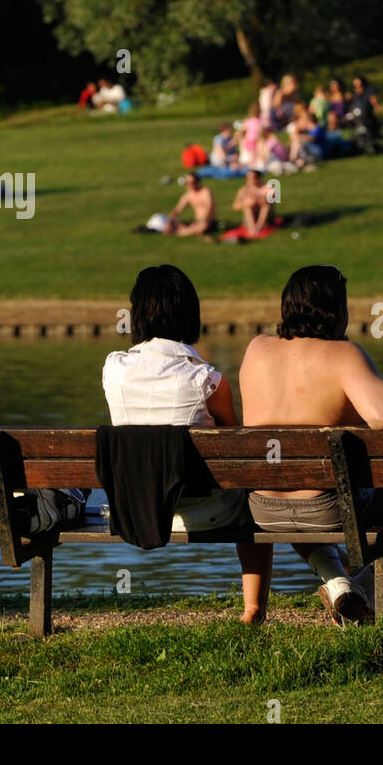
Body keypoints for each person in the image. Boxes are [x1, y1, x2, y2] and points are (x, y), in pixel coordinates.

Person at [238, 265, 383, 624]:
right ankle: (363, 583)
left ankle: (341, 583)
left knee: (298, 494)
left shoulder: (256, 349)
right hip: (328, 507)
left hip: (262, 508)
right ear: (337, 311)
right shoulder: (344, 355)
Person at [102, 265, 264, 623]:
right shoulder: (207, 379)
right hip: (203, 513)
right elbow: (235, 452)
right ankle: (253, 607)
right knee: (253, 493)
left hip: (133, 509)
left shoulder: (113, 369)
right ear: (191, 314)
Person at [233, 169, 274, 235]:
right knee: (248, 206)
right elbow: (235, 206)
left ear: (258, 178)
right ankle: (252, 228)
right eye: (248, 178)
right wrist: (246, 203)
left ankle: (258, 227)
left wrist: (258, 199)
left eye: (253, 178)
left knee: (265, 205)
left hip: (267, 219)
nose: (250, 180)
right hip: (250, 218)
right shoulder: (244, 190)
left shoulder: (267, 188)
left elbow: (271, 199)